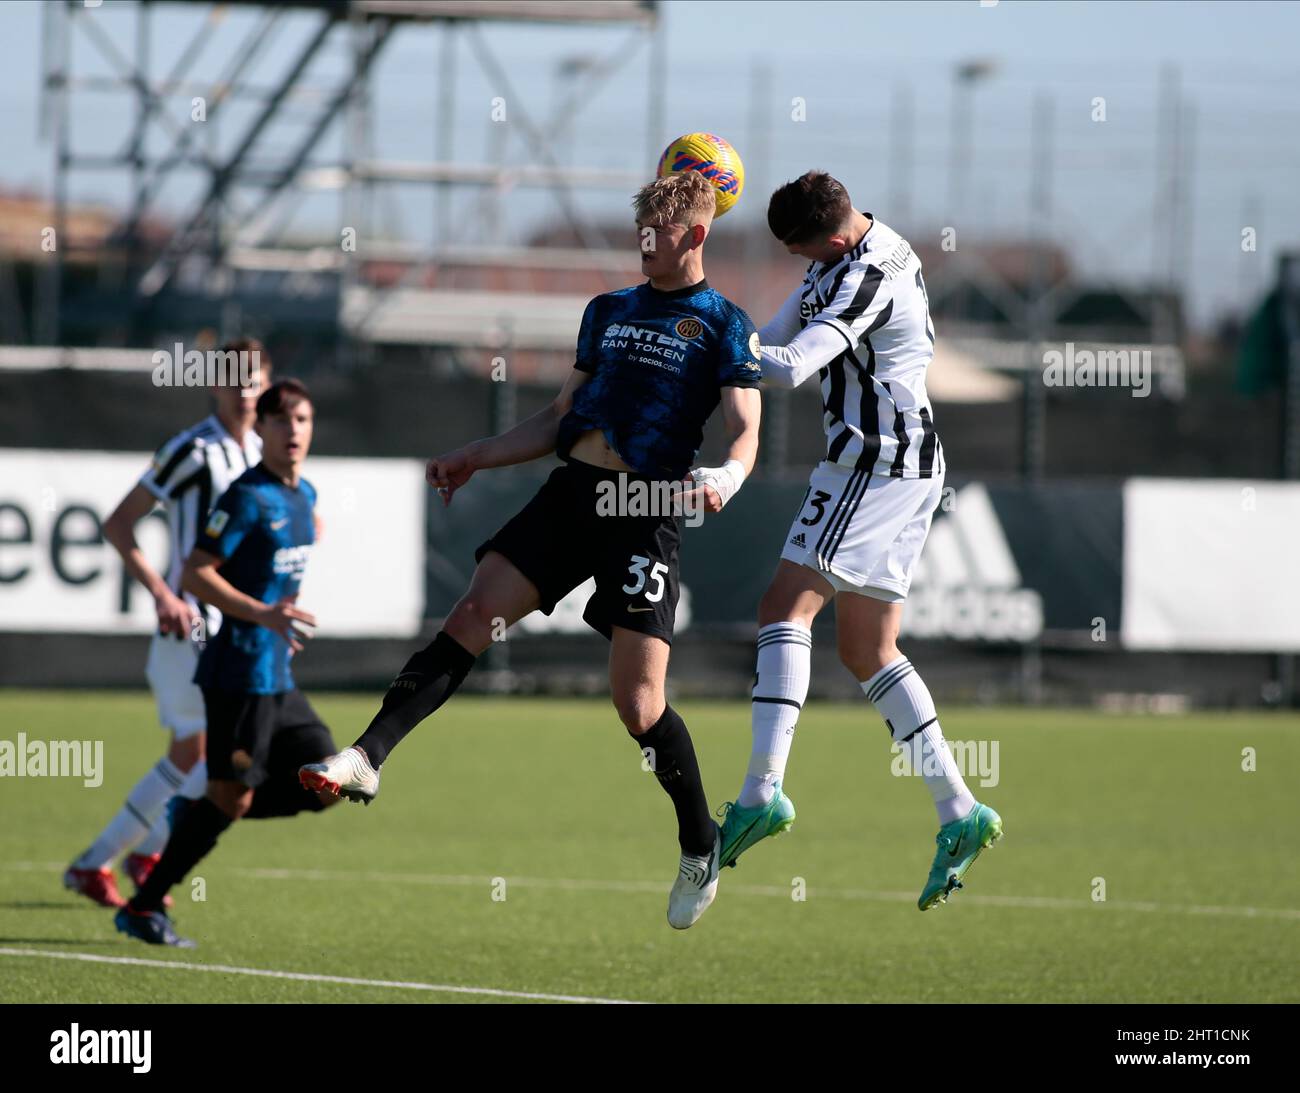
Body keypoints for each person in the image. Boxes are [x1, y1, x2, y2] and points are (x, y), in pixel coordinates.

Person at [301, 171, 763, 929]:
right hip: (574, 491)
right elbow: (556, 417)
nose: (645, 248)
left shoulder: (723, 322)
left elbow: (745, 431)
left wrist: (728, 477)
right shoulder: (608, 311)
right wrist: (477, 454)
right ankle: (367, 756)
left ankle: (699, 840)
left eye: (659, 236)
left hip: (647, 510)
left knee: (638, 704)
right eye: (639, 235)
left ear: (697, 235)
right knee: (475, 609)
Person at [717, 171, 1002, 911]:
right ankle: (960, 810)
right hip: (897, 466)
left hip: (876, 464)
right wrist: (718, 335)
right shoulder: (837, 255)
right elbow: (769, 335)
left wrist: (706, 341)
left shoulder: (869, 274)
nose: (796, 264)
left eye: (799, 251)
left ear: (832, 235)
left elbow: (788, 364)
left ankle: (760, 794)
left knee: (784, 607)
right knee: (867, 649)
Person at [115, 379, 336, 947]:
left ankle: (195, 811)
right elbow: (194, 573)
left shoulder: (303, 494)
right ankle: (145, 905)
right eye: (281, 421)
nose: (293, 431)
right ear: (259, 429)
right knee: (231, 798)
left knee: (327, 781)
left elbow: (287, 551)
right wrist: (264, 613)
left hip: (277, 678)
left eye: (303, 420)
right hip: (237, 674)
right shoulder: (244, 496)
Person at [64, 340, 268, 908]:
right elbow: (118, 522)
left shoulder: (260, 452)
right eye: (233, 377)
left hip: (234, 628)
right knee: (199, 753)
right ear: (213, 385)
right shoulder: (192, 450)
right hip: (189, 625)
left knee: (219, 755)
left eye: (253, 377)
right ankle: (100, 861)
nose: (243, 388)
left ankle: (139, 852)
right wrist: (160, 593)